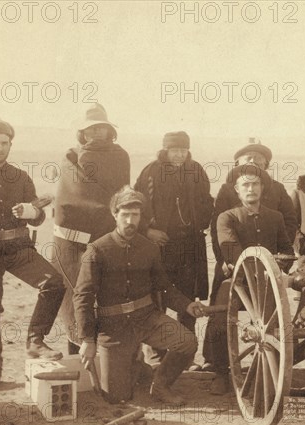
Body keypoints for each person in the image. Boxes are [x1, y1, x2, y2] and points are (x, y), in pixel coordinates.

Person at [0, 117, 66, 391]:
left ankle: (35, 341)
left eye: (4, 143)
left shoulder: (21, 177)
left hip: (19, 249)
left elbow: (38, 218)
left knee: (53, 283)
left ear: (10, 145)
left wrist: (32, 212)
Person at [73, 186, 201, 405]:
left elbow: (164, 287)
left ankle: (160, 385)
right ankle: (136, 365)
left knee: (187, 342)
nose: (131, 221)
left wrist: (187, 305)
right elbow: (82, 296)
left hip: (147, 318)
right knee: (116, 397)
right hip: (113, 327)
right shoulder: (97, 250)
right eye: (125, 215)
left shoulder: (150, 248)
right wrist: (87, 340)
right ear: (115, 215)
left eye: (136, 215)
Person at [203, 142, 296, 372]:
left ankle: (267, 367)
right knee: (220, 314)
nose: (251, 189)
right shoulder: (227, 214)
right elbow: (224, 240)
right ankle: (219, 369)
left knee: (276, 320)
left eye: (256, 184)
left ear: (263, 188)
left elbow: (287, 247)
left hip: (266, 277)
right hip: (235, 274)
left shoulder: (275, 215)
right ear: (237, 189)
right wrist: (228, 262)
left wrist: (278, 266)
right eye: (246, 185)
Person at [53, 103, 130, 355]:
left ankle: (110, 359)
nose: (97, 133)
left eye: (102, 128)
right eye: (91, 129)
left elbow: (121, 196)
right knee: (76, 295)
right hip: (74, 242)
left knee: (109, 297)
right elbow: (68, 200)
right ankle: (77, 356)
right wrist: (104, 209)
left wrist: (115, 218)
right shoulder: (71, 157)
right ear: (82, 133)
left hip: (108, 238)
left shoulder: (120, 156)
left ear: (110, 131)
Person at [134, 131, 213, 335]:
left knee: (187, 299)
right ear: (165, 150)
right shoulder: (151, 172)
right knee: (156, 297)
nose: (179, 155)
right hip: (159, 246)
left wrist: (200, 224)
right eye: (175, 150)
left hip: (189, 246)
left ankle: (185, 351)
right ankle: (157, 353)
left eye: (183, 150)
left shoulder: (196, 170)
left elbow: (207, 201)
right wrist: (148, 231)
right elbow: (135, 206)